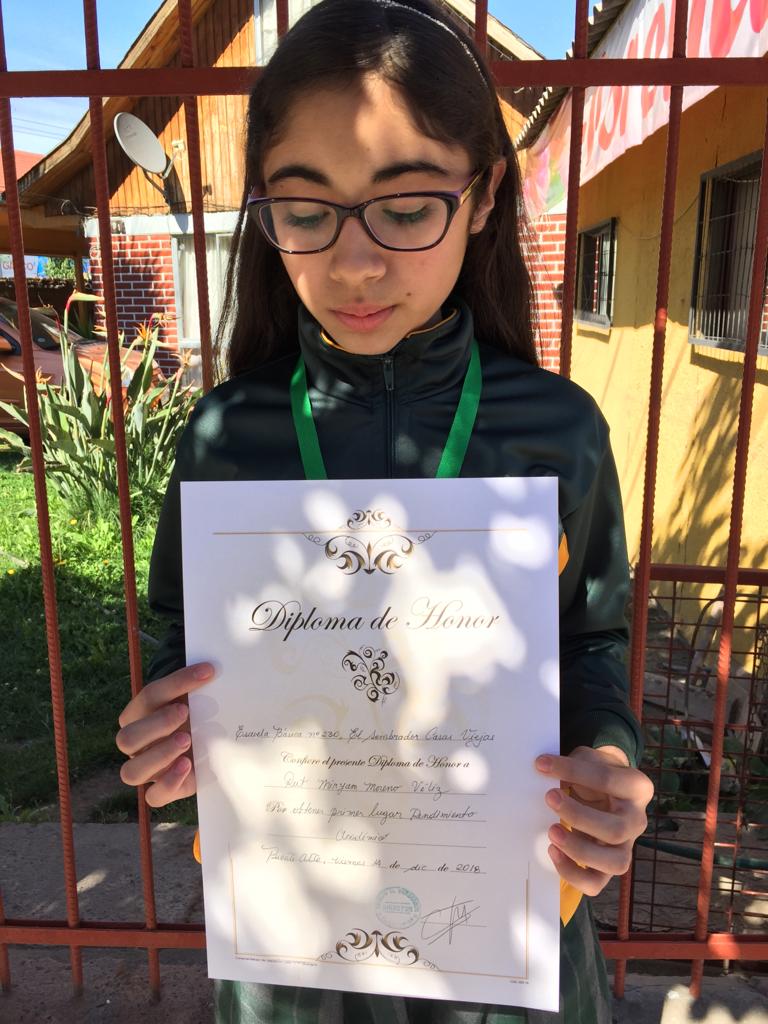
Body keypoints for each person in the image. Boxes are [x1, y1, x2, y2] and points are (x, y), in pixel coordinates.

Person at [115, 1, 654, 1020]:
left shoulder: (559, 430)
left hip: (504, 946)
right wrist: (164, 729)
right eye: (305, 210)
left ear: (484, 197)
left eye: (406, 210)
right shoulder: (227, 439)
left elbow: (589, 641)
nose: (354, 264)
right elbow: (178, 642)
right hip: (293, 959)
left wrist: (610, 757)